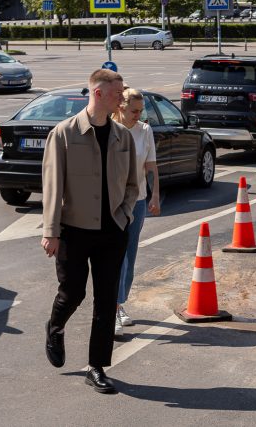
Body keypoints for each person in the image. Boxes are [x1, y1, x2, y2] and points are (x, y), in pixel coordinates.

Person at [41, 68, 139, 395]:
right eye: (117, 93)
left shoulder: (123, 136)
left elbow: (131, 185)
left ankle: (96, 367)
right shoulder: (64, 134)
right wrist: (51, 231)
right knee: (73, 291)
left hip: (113, 230)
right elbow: (52, 186)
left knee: (106, 297)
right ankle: (55, 326)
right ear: (98, 94)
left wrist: (124, 215)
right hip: (73, 230)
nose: (122, 98)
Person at [112, 87, 161, 337]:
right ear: (120, 106)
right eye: (134, 110)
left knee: (129, 257)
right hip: (113, 203)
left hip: (138, 202)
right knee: (115, 256)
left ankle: (120, 304)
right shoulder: (110, 129)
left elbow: (151, 166)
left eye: (141, 111)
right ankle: (113, 308)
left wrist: (154, 195)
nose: (138, 115)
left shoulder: (144, 130)